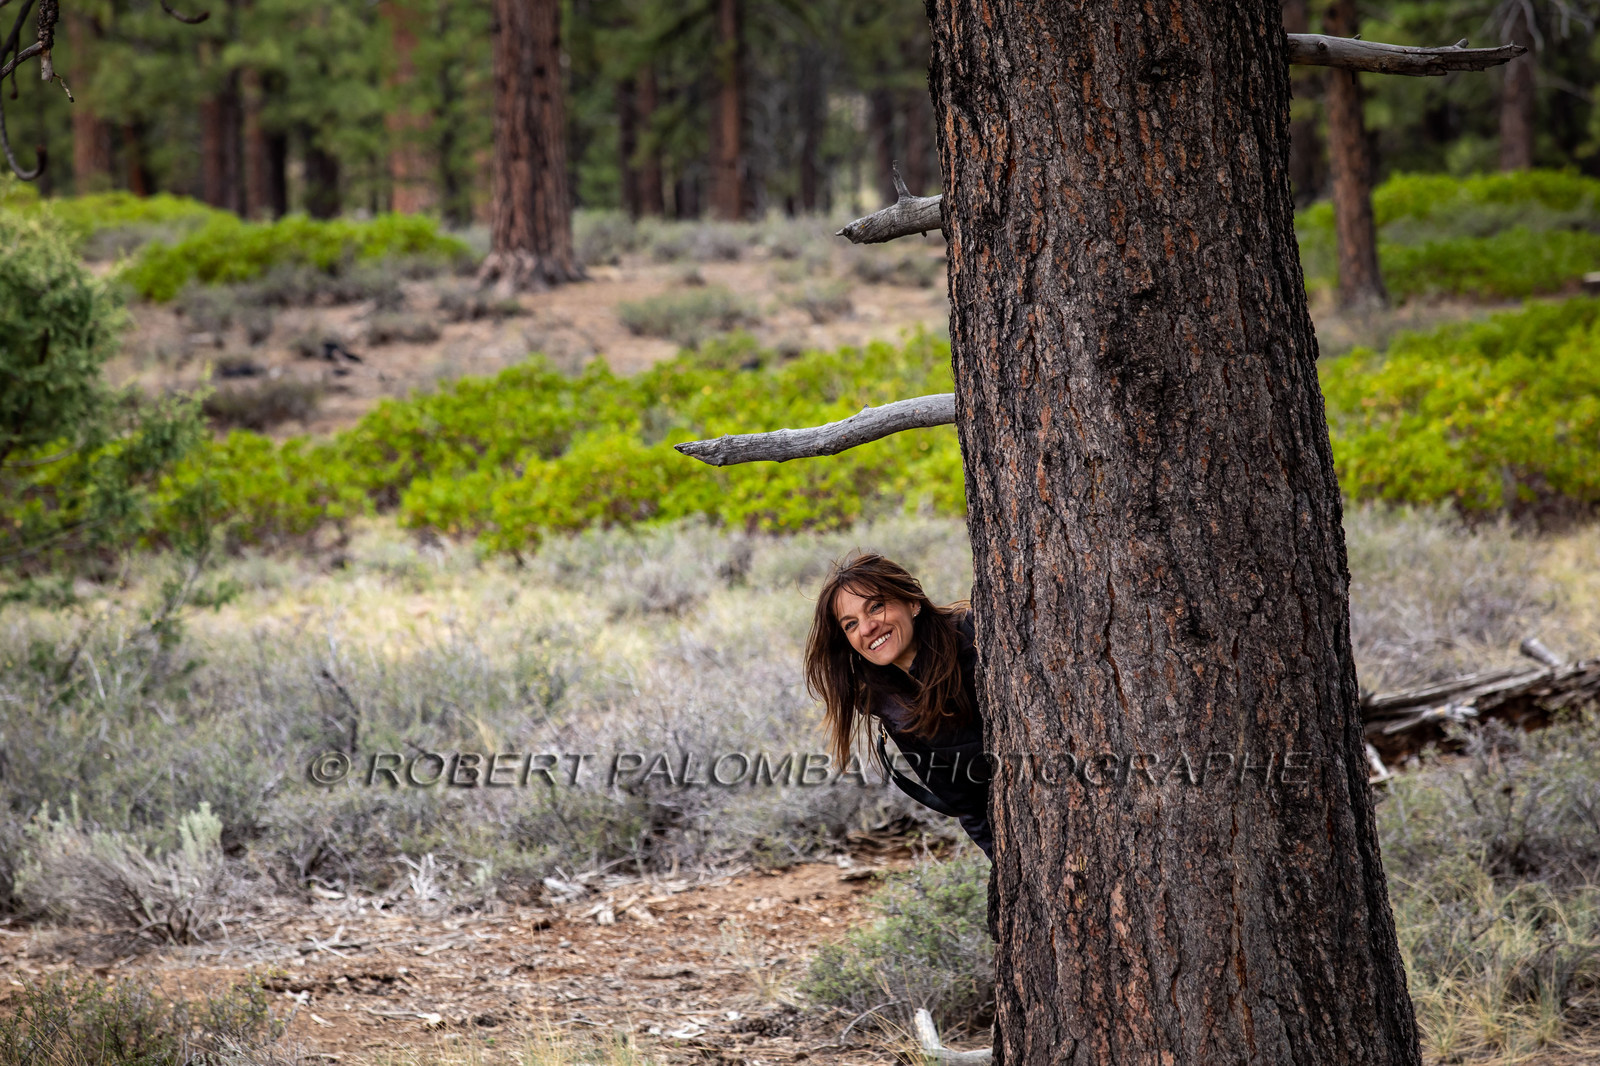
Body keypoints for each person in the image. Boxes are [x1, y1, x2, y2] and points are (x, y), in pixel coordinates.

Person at [803, 551, 993, 858]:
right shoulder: (892, 707)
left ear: (913, 602)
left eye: (875, 607)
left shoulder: (976, 638)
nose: (866, 629)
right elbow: (967, 806)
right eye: (850, 624)